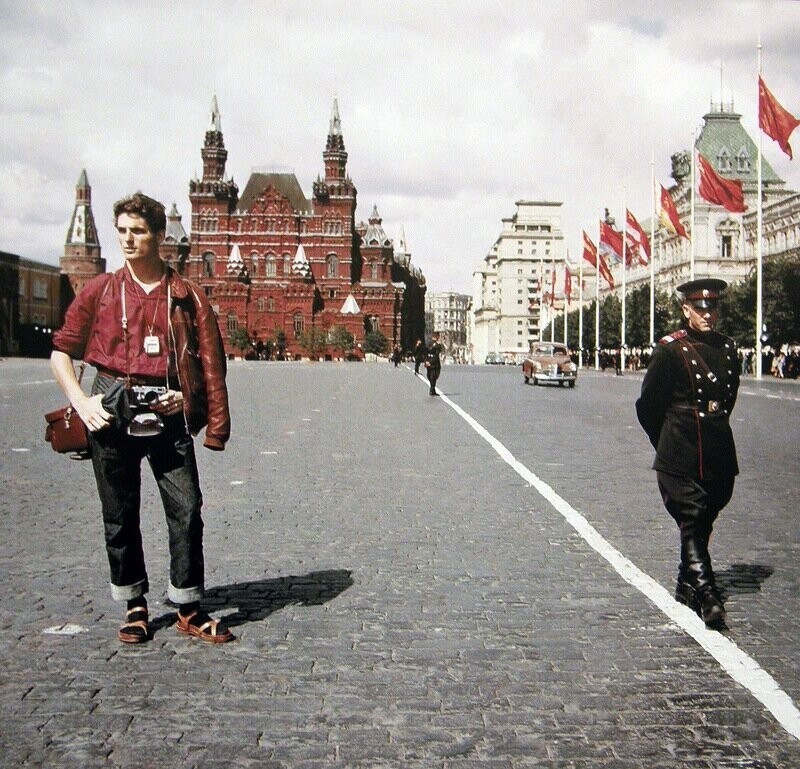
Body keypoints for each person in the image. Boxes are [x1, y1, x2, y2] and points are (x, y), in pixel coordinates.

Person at [50, 192, 235, 645]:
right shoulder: (102, 289)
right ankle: (134, 605)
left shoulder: (185, 294)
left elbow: (212, 359)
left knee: (186, 509)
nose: (129, 240)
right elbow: (61, 352)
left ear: (159, 236)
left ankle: (188, 606)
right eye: (123, 232)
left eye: (138, 232)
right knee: (119, 512)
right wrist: (81, 401)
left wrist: (190, 402)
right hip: (109, 404)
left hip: (166, 409)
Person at [635, 278, 740, 627]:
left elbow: (728, 397)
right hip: (680, 448)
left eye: (713, 308)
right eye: (700, 308)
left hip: (717, 447)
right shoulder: (670, 350)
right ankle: (708, 593)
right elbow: (648, 405)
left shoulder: (727, 349)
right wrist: (665, 442)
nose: (707, 314)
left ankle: (686, 581)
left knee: (707, 513)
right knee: (692, 516)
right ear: (686, 310)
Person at [424, 331, 444, 396]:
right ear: (437, 337)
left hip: (428, 362)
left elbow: (425, 353)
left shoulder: (428, 343)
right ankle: (432, 390)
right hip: (434, 364)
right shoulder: (437, 345)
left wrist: (426, 361)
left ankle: (432, 389)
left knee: (430, 376)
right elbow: (436, 355)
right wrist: (430, 362)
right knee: (434, 376)